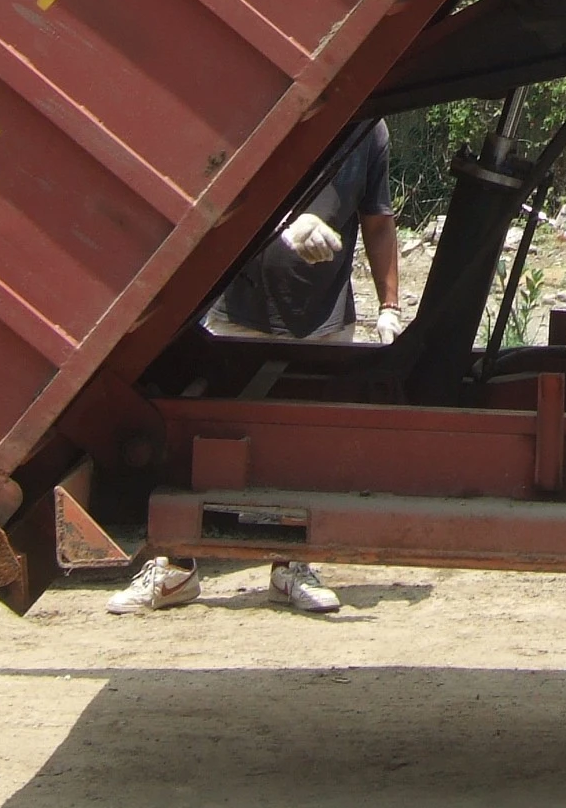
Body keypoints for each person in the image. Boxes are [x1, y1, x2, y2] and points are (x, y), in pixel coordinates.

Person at [108, 119, 400, 616]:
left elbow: (376, 220)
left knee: (301, 453)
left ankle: (292, 567)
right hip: (239, 312)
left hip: (323, 320)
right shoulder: (276, 109)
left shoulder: (369, 133)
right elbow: (217, 192)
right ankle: (176, 569)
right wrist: (281, 223)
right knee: (202, 442)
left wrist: (391, 304)